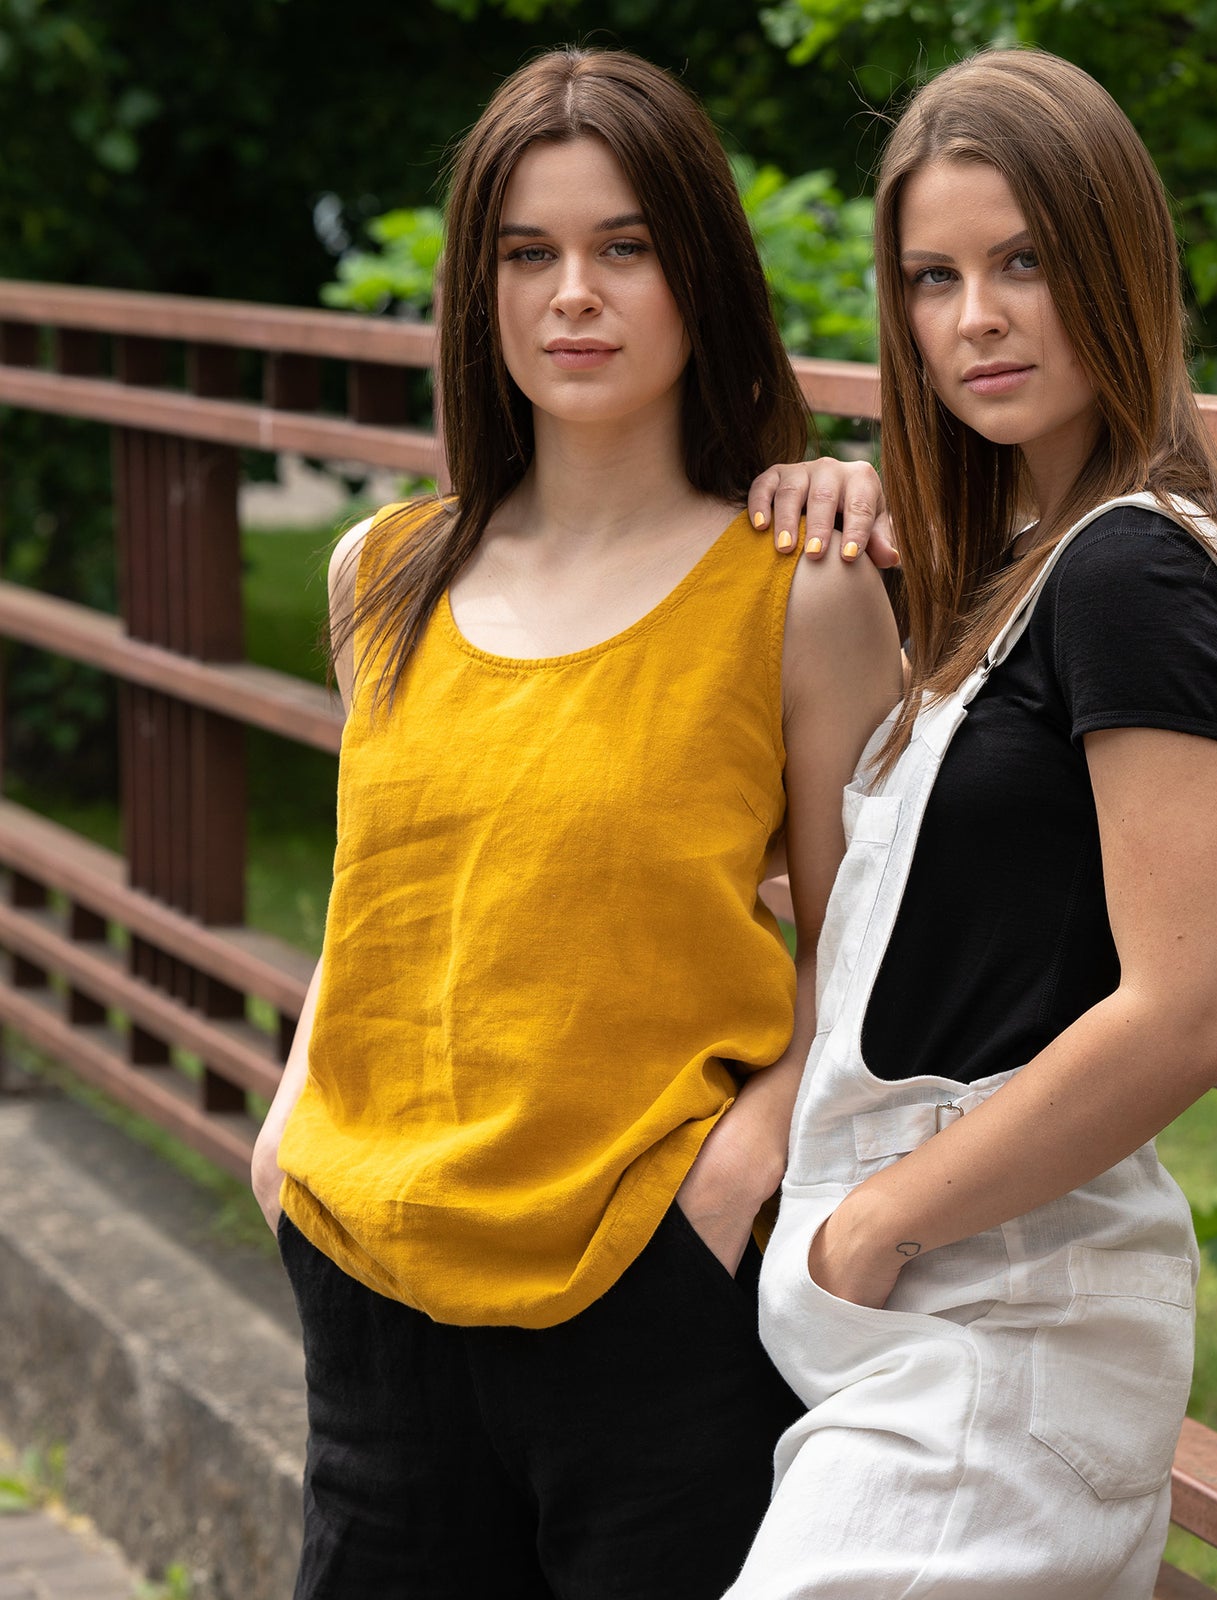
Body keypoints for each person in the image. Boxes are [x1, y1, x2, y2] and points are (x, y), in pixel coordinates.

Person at [248, 47, 902, 1600]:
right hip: (372, 1269)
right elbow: (381, 891)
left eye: (624, 247)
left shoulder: (801, 591)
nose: (575, 296)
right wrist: (288, 1124)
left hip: (648, 1289)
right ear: (477, 289)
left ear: (700, 274)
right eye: (526, 254)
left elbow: (870, 946)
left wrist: (735, 1176)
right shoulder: (379, 574)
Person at [729, 48, 1217, 1599]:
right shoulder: (1029, 561)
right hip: (940, 1320)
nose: (976, 317)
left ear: (1118, 262)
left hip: (1003, 1321)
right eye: (935, 277)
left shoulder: (1131, 571)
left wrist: (876, 1229)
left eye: (1025, 262)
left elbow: (1194, 1010)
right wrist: (849, 507)